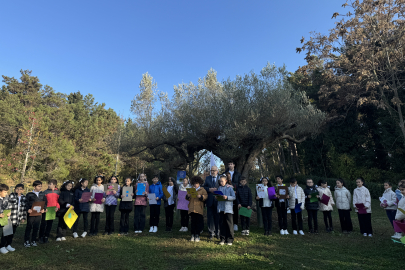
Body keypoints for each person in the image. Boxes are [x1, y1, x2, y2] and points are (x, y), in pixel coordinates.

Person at [3, 184, 27, 252]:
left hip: (17, 218)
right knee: (6, 232)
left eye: (21, 189)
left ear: (23, 190)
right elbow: (6, 204)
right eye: (17, 188)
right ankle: (2, 245)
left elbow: (24, 208)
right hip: (10, 217)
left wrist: (23, 217)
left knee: (12, 232)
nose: (19, 190)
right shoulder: (11, 195)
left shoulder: (24, 197)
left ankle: (8, 244)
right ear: (15, 189)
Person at [24, 180, 47, 248]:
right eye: (39, 186)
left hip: (39, 213)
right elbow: (26, 203)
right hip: (31, 213)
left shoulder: (42, 194)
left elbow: (45, 203)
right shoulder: (29, 194)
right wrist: (28, 209)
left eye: (41, 186)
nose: (40, 187)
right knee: (29, 226)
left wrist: (44, 209)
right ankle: (26, 240)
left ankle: (33, 240)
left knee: (36, 227)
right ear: (34, 187)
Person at [186, 176, 207, 243]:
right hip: (192, 208)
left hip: (199, 209)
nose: (195, 184)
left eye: (197, 183)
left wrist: (201, 196)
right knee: (192, 222)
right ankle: (193, 235)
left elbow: (205, 196)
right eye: (194, 183)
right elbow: (187, 197)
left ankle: (197, 235)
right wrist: (188, 196)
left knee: (198, 222)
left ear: (199, 183)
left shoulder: (202, 189)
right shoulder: (190, 189)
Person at [39, 179, 60, 244]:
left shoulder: (58, 192)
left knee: (49, 224)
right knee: (43, 224)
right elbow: (43, 201)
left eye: (50, 184)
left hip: (52, 210)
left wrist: (57, 207)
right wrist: (44, 208)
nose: (48, 185)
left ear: (54, 185)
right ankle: (41, 237)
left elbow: (58, 201)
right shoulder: (45, 192)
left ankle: (46, 236)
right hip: (46, 210)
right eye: (48, 184)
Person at [217, 175, 236, 245]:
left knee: (229, 224)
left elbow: (234, 197)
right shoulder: (219, 188)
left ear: (226, 181)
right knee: (222, 224)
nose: (221, 182)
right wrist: (217, 197)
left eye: (222, 181)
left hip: (228, 209)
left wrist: (227, 197)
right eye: (220, 181)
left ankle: (230, 239)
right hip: (220, 208)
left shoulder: (230, 188)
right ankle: (222, 239)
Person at [203, 165, 220, 240]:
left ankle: (218, 232)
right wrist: (209, 189)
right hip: (209, 200)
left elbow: (223, 186)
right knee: (210, 217)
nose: (212, 172)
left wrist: (217, 189)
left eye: (214, 170)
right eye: (211, 170)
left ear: (217, 171)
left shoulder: (220, 178)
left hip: (218, 200)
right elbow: (204, 187)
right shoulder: (207, 178)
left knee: (218, 217)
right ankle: (211, 233)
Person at [224, 161, 241, 232]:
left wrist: (233, 185)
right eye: (229, 164)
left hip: (235, 192)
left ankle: (235, 223)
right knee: (227, 208)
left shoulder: (238, 174)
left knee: (235, 208)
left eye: (231, 164)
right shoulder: (224, 173)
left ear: (234, 165)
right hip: (226, 193)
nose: (230, 165)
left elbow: (239, 183)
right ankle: (227, 223)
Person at [0, 184, 11, 254]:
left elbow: (8, 207)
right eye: (5, 192)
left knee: (6, 231)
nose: (6, 193)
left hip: (4, 218)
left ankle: (2, 246)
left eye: (7, 192)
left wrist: (9, 212)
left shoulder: (6, 198)